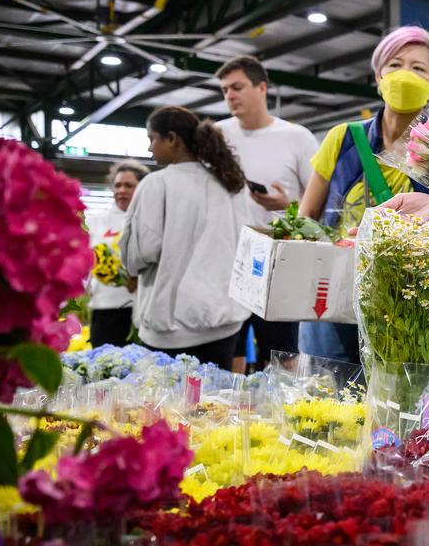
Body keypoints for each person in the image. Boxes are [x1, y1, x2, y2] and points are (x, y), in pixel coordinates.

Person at [297, 26, 429, 363]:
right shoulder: (343, 138)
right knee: (325, 399)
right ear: (379, 77)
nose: (404, 75)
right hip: (331, 299)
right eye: (394, 65)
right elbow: (306, 219)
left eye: (418, 68)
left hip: (403, 304)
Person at [119, 107, 252, 369]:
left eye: (152, 139)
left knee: (168, 407)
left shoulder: (157, 183)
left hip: (171, 327)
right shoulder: (230, 183)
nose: (150, 148)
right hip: (225, 321)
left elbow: (140, 254)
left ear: (172, 138)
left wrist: (130, 270)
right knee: (216, 404)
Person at [215, 54, 320, 371]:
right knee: (227, 350)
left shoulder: (296, 137)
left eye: (237, 87)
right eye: (224, 90)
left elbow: (321, 204)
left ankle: (283, 414)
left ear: (261, 88)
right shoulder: (216, 136)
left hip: (278, 266)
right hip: (226, 262)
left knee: (282, 353)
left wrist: (285, 207)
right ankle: (227, 414)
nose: (230, 96)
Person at [85, 159, 150, 348]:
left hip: (140, 310)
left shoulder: (150, 221)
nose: (121, 190)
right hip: (104, 309)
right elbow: (85, 263)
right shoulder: (96, 222)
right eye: (118, 185)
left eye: (128, 185)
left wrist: (137, 278)